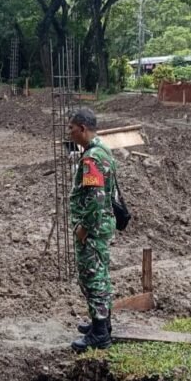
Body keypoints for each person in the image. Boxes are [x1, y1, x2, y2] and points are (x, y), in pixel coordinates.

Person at [67, 108, 118, 352]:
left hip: (93, 229)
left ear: (82, 129)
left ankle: (100, 334)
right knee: (100, 275)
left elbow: (96, 197)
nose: (69, 132)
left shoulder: (92, 159)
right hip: (102, 225)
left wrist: (84, 228)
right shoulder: (102, 150)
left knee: (93, 277)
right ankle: (102, 324)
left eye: (71, 128)